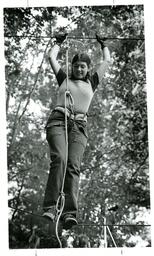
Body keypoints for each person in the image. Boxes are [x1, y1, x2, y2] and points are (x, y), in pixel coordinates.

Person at [42, 33, 111, 230]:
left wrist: (103, 44)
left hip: (79, 127)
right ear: (72, 67)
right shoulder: (63, 78)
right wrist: (58, 43)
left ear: (88, 68)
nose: (79, 68)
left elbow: (107, 61)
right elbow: (51, 58)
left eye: (83, 66)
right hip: (58, 122)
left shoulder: (92, 82)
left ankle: (69, 213)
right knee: (61, 159)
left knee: (73, 165)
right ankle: (50, 207)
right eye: (76, 65)